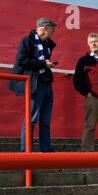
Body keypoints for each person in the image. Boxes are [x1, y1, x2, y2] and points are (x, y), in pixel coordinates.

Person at [8, 18, 58, 152]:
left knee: (45, 122)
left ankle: (46, 150)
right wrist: (43, 64)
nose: (54, 31)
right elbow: (22, 60)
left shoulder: (47, 44)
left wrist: (47, 64)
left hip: (47, 84)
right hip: (35, 85)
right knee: (31, 120)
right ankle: (25, 152)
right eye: (53, 28)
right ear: (45, 28)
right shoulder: (27, 40)